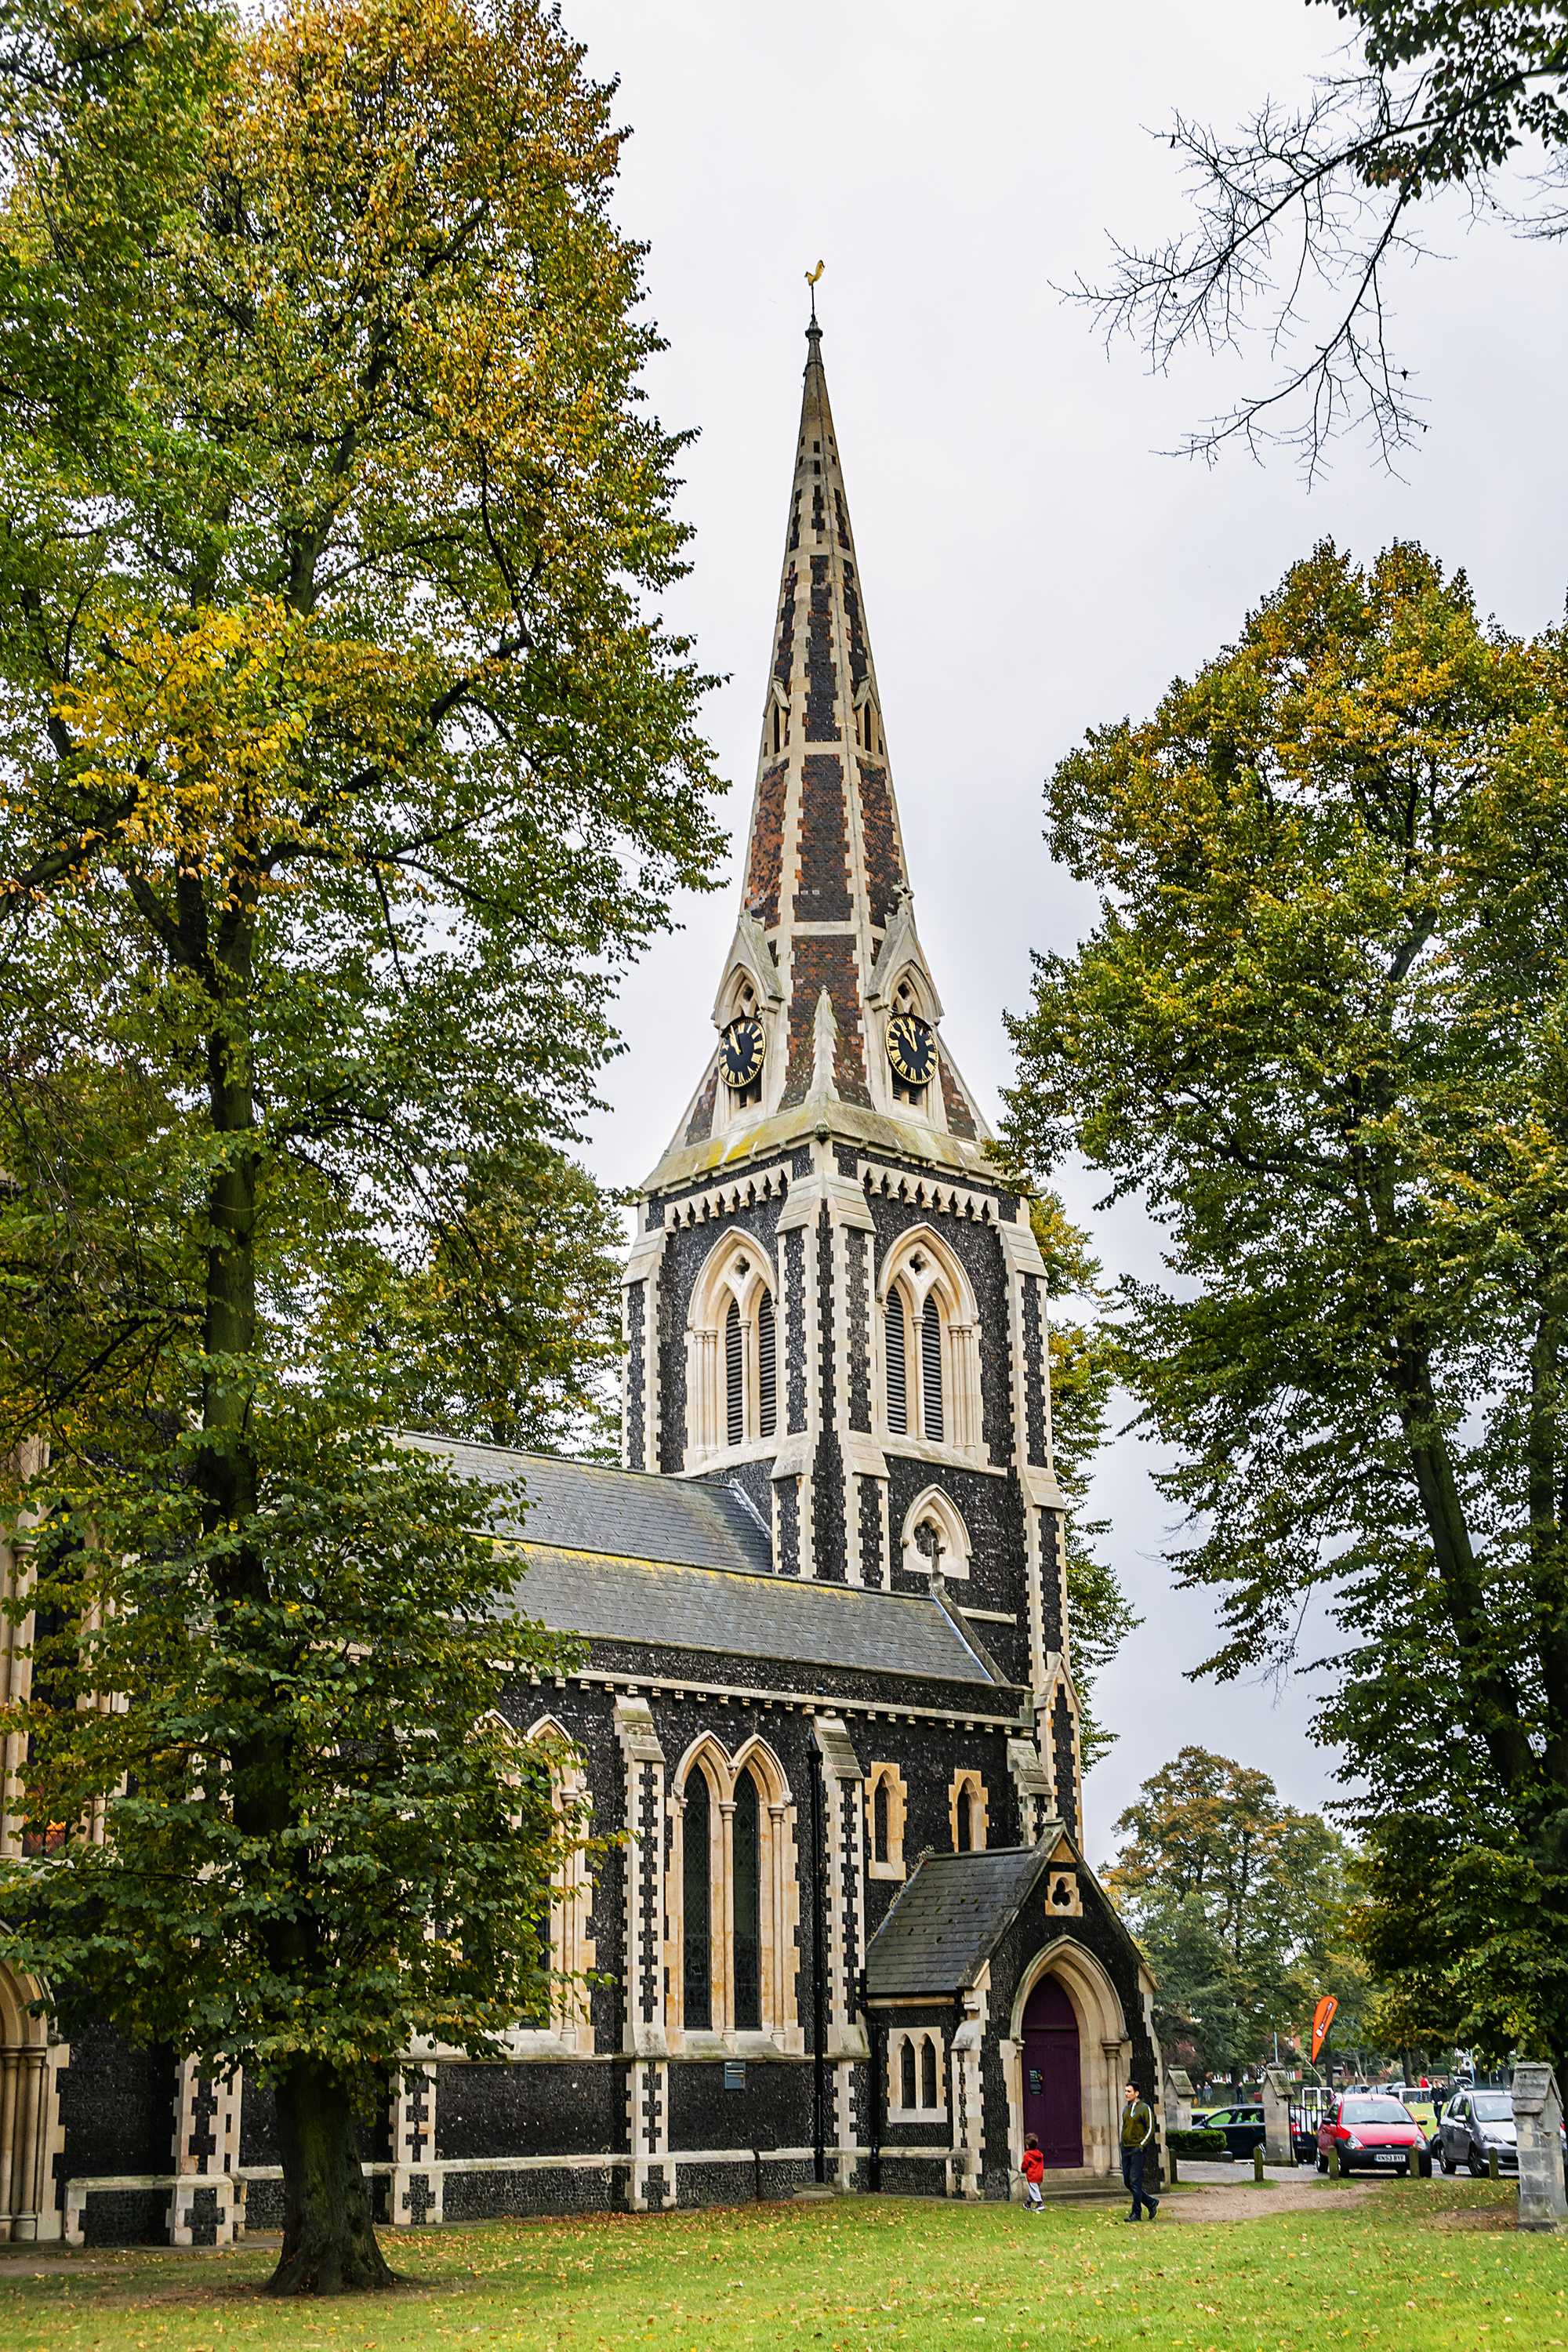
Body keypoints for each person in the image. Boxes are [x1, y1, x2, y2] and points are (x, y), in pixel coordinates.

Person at [1121, 2079, 1159, 2222]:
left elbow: (1150, 2129)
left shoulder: (1144, 2108)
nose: (1126, 2094)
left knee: (1135, 2181)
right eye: (1125, 2091)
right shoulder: (1126, 2109)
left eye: (1129, 2091)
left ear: (1136, 2093)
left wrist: (1142, 2145)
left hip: (1138, 2150)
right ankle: (1151, 2202)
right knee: (1127, 2182)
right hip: (1126, 2149)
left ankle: (1136, 2213)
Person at [1020, 2134, 1045, 2212]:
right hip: (1039, 2176)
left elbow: (1025, 2165)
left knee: (1035, 2191)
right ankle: (1028, 2204)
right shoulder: (1039, 2154)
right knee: (1033, 2190)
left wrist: (1023, 2170)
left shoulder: (1028, 2155)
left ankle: (1040, 2204)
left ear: (1027, 2146)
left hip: (1032, 2176)